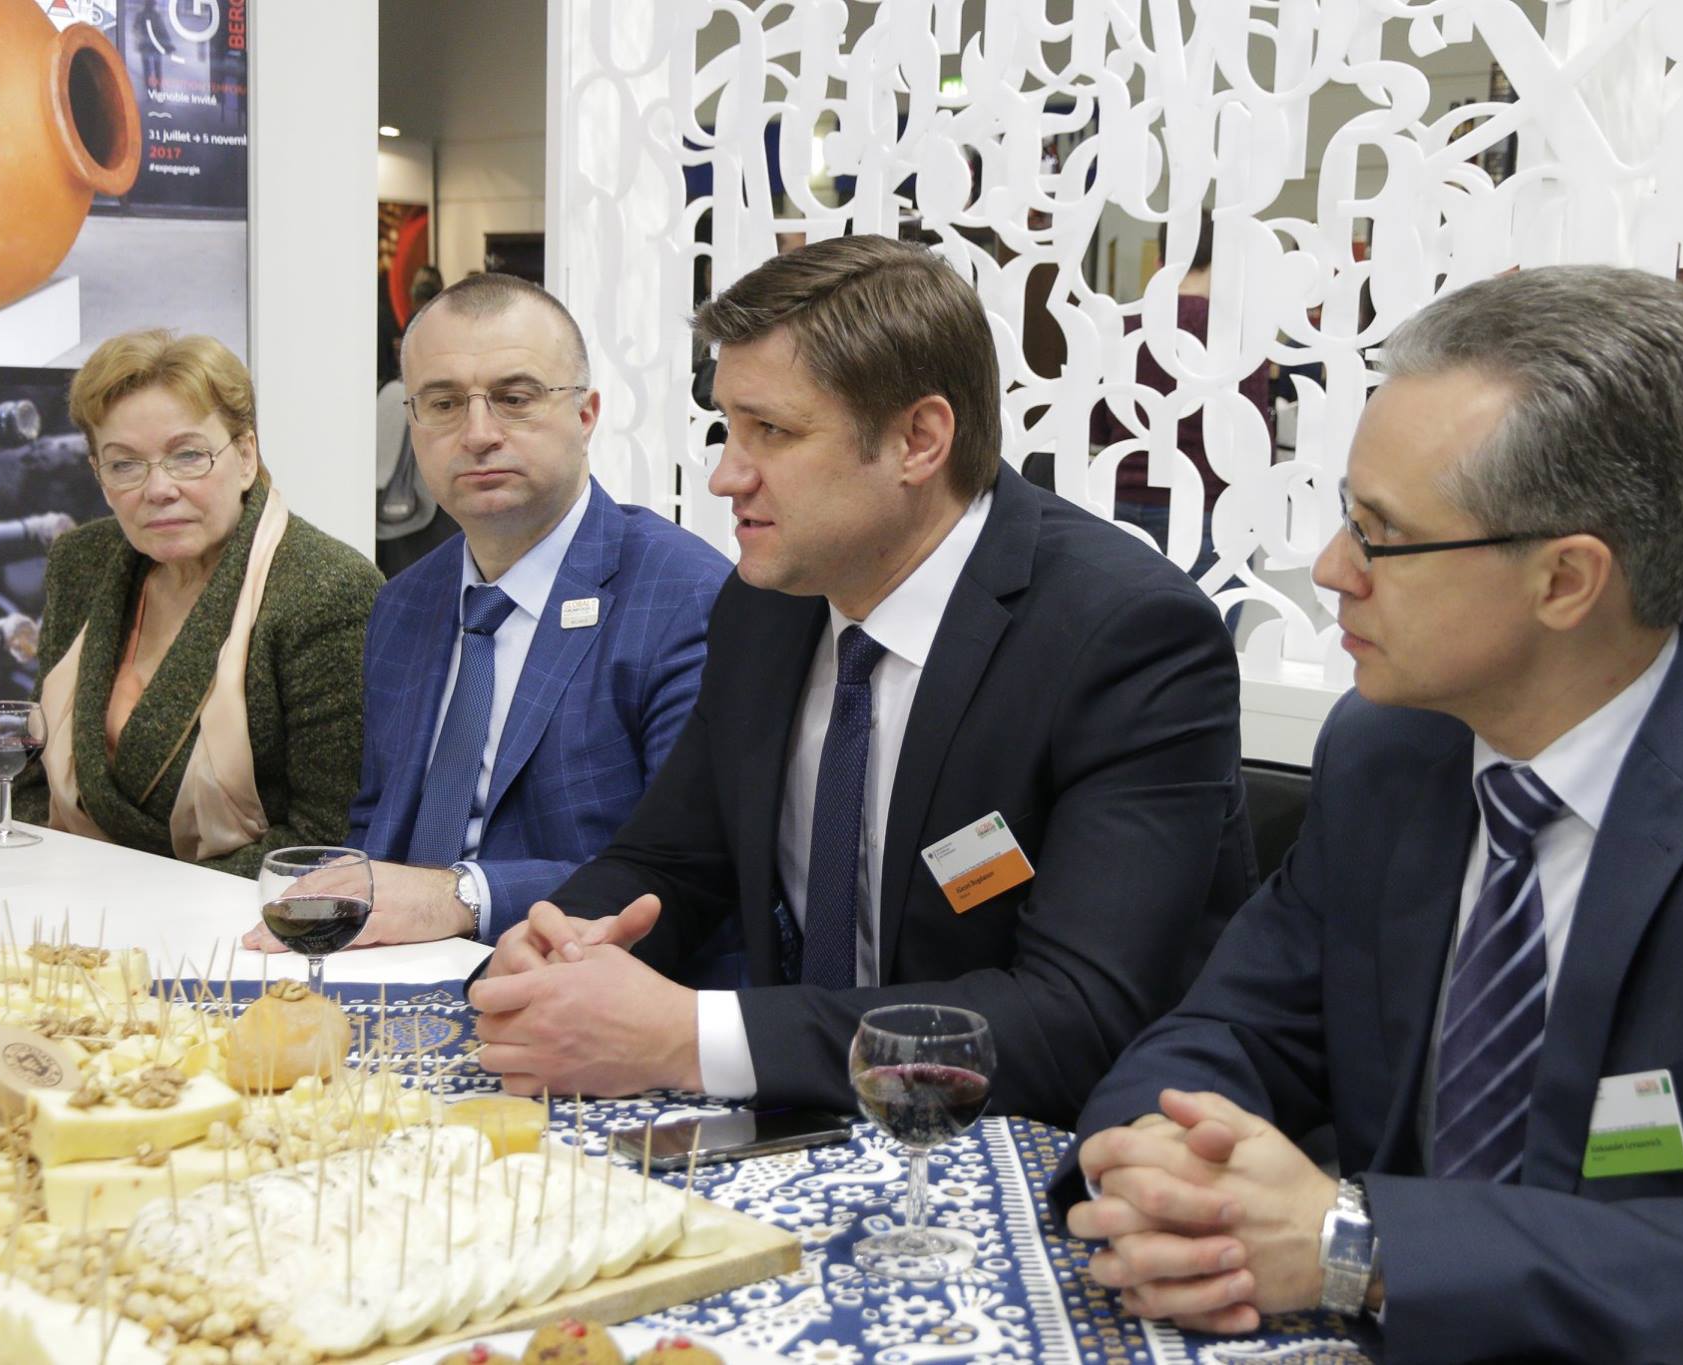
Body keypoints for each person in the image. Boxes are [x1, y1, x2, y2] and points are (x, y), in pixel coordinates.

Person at [1059, 266, 1683, 1362]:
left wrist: (1358, 1246)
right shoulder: (1389, 749)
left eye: (1381, 535)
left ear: (1565, 581)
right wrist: (1160, 1164)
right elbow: (1232, 1029)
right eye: (1344, 516)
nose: (1332, 569)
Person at [467, 235, 1257, 1126]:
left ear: (919, 440)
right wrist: (561, 942)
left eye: (772, 431)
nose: (726, 474)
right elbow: (672, 860)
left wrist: (692, 1036)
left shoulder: (1124, 637)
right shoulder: (766, 604)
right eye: (728, 427)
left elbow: (1076, 1021)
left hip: (1045, 1151)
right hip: (808, 1125)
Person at [244, 272, 729, 952]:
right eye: (443, 403)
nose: (477, 434)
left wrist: (461, 896)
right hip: (387, 971)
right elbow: (375, 824)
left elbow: (684, 871)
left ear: (586, 415)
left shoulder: (683, 596)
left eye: (515, 398)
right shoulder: (403, 602)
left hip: (572, 977)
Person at [14, 330, 382, 876]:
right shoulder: (82, 561)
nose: (158, 489)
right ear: (98, 475)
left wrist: (139, 894)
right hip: (68, 898)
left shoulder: (326, 589)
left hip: (236, 914)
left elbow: (326, 839)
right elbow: (33, 778)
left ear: (246, 456)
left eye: (188, 455)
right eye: (124, 464)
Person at [1092, 216, 1273, 582]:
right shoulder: (1235, 338)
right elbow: (1253, 439)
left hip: (1121, 502)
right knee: (1206, 617)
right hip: (1206, 509)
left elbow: (1098, 423)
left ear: (1160, 260)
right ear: (1222, 263)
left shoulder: (1126, 327)